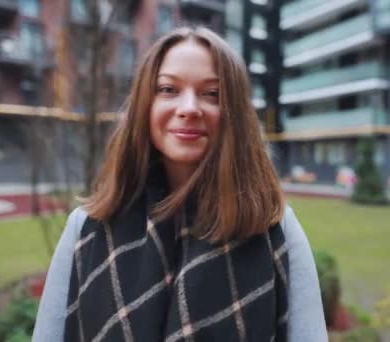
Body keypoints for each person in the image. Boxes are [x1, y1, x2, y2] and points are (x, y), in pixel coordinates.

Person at [32, 26, 326, 342]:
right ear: (145, 105)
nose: (188, 108)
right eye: (168, 89)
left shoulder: (275, 229)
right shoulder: (86, 229)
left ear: (234, 114)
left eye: (211, 94)